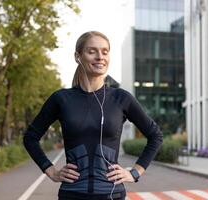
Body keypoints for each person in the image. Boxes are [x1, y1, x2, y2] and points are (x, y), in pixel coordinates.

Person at [23, 31, 163, 200]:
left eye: (105, 52)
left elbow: (155, 135)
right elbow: (30, 137)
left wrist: (135, 173)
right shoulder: (61, 99)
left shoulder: (121, 98)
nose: (100, 57)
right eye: (92, 51)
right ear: (77, 56)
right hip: (72, 194)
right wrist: (51, 171)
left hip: (112, 194)